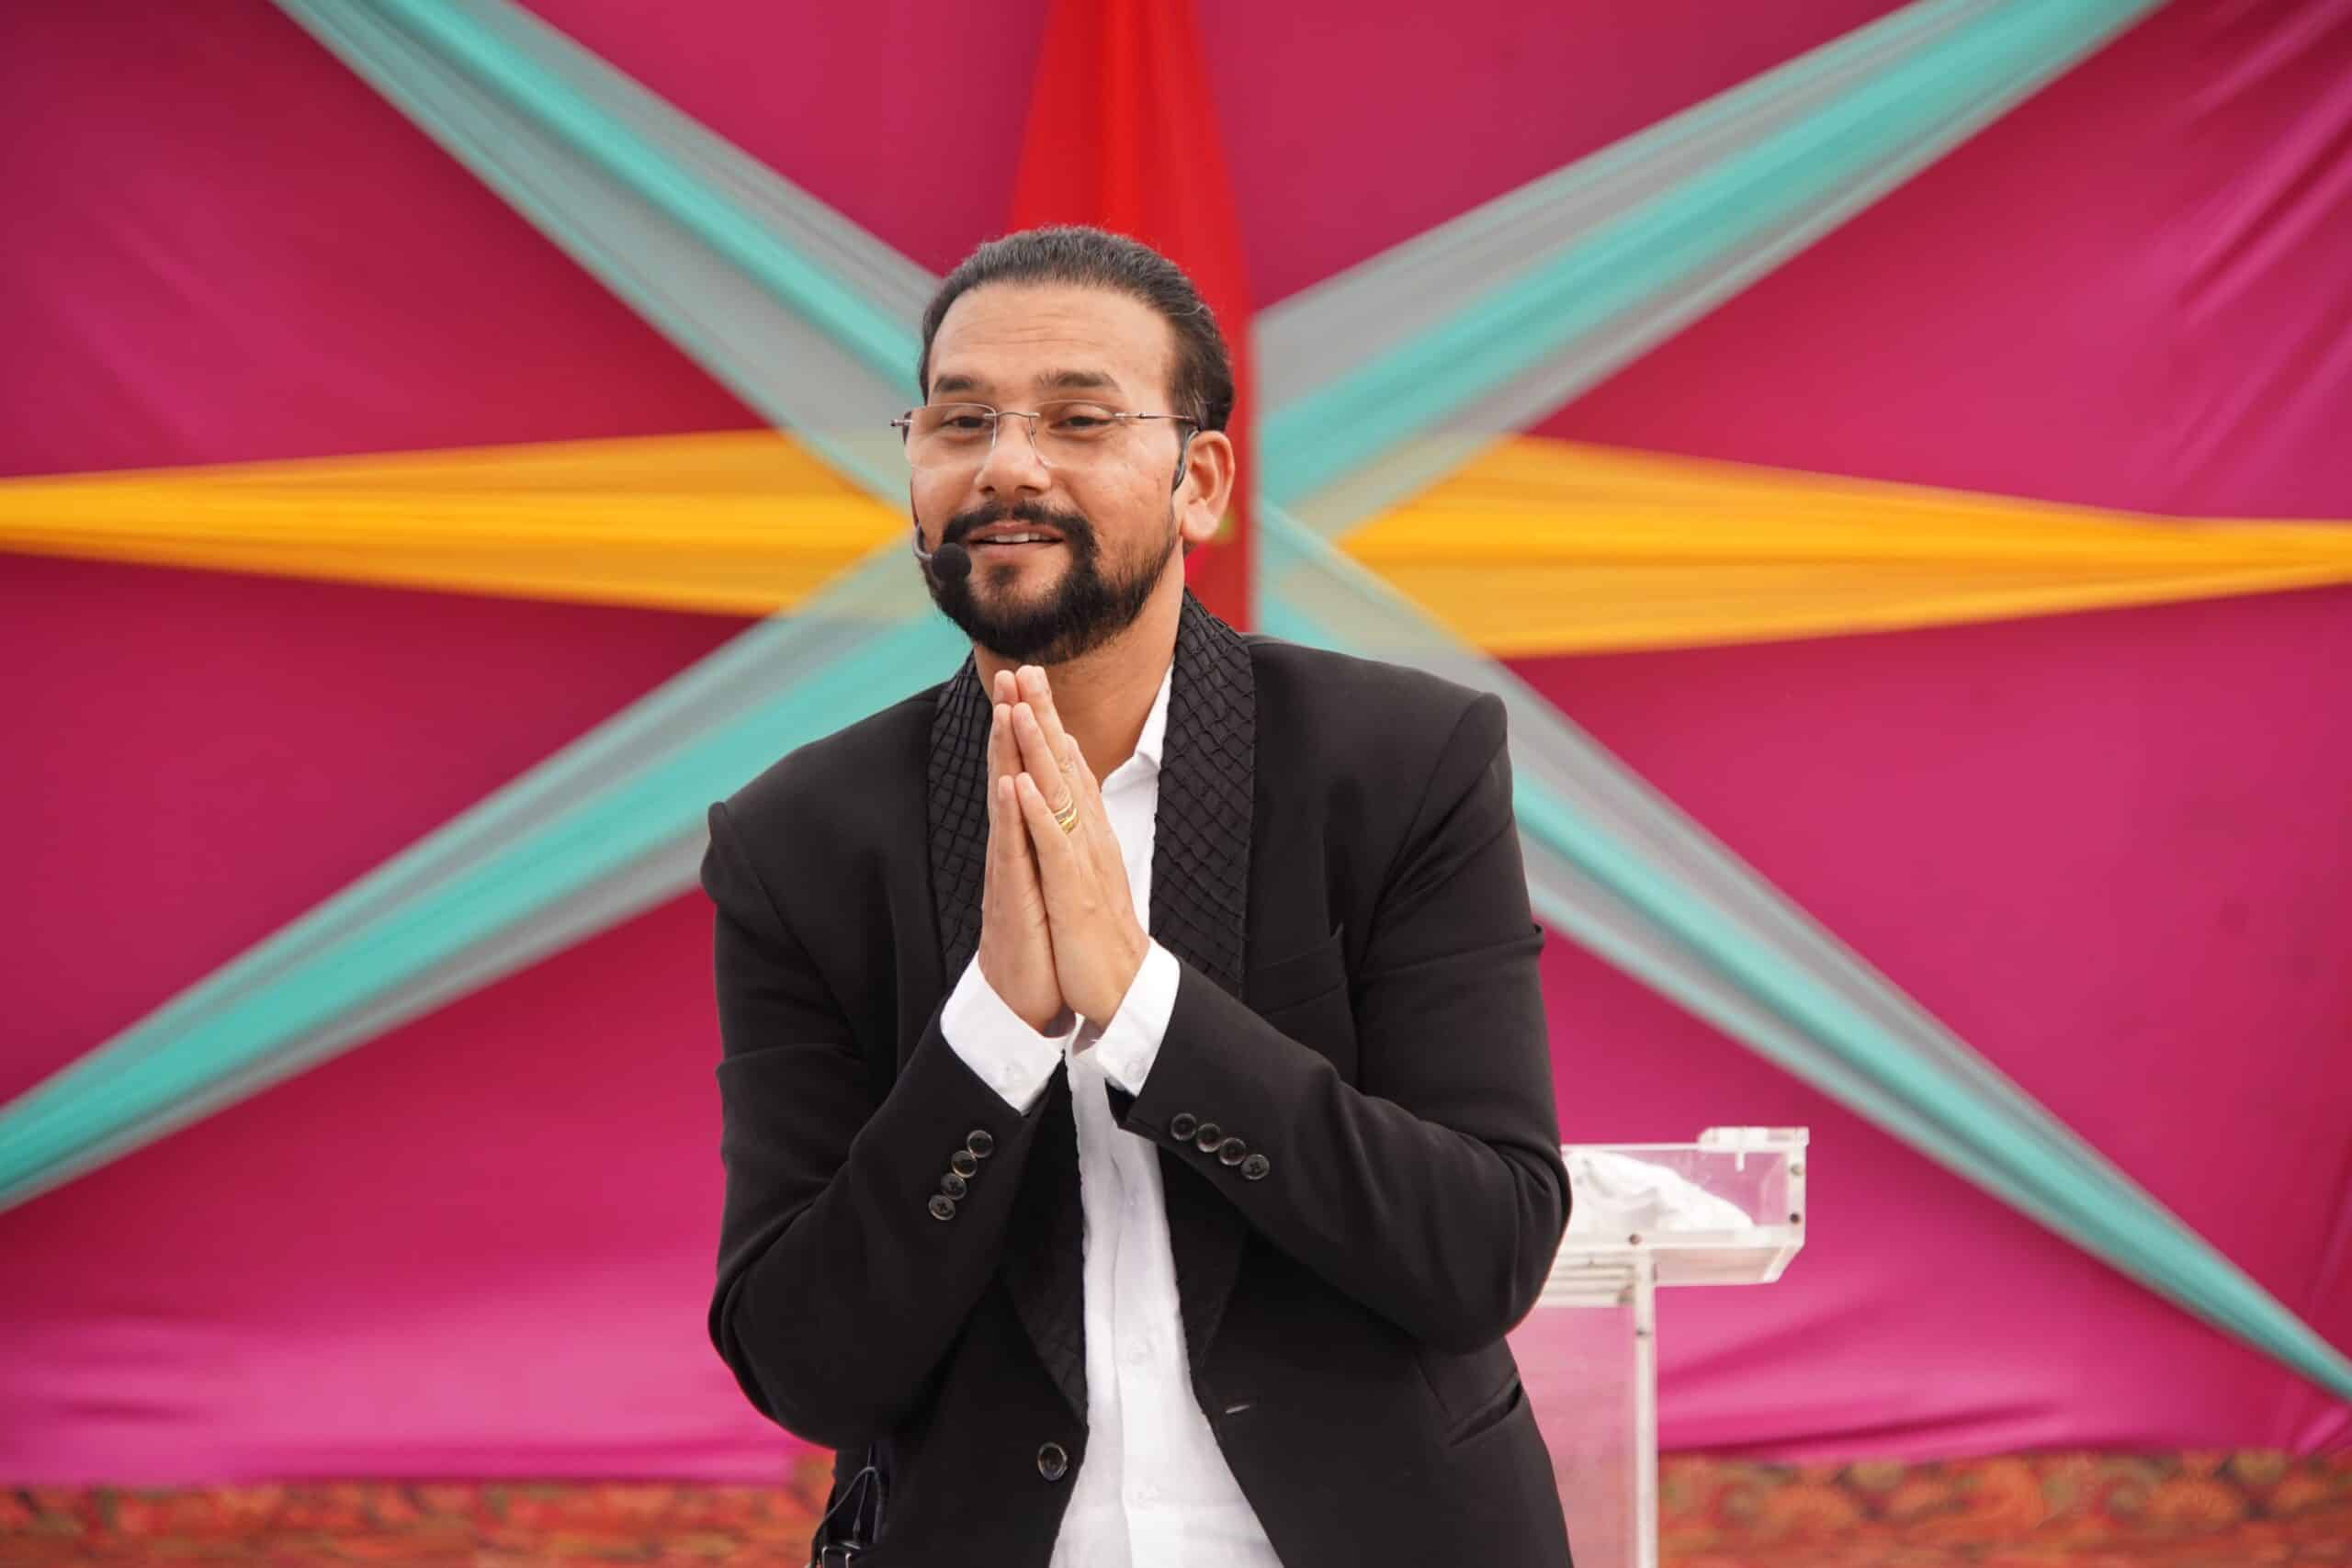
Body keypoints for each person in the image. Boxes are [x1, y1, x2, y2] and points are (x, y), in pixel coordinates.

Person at [698, 225, 1574, 1567]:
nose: (1007, 464)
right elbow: (804, 1363)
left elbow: (1484, 1251)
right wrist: (994, 1032)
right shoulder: (799, 842)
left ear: (1198, 480)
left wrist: (1147, 1008)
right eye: (961, 421)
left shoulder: (1403, 765)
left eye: (1079, 418)